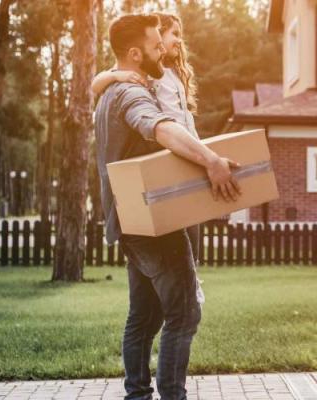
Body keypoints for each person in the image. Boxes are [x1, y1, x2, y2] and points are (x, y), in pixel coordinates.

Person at [93, 14, 240, 400]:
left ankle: (137, 395)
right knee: (184, 313)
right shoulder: (130, 94)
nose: (165, 50)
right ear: (135, 53)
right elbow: (160, 127)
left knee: (144, 317)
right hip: (154, 224)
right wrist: (211, 160)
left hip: (129, 221)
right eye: (157, 45)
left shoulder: (110, 93)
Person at [92, 12, 203, 264]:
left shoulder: (174, 75)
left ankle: (192, 281)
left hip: (189, 153)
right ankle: (189, 290)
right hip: (171, 155)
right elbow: (96, 83)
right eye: (173, 34)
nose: (177, 41)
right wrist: (115, 76)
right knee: (178, 249)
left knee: (191, 243)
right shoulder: (146, 70)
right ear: (156, 39)